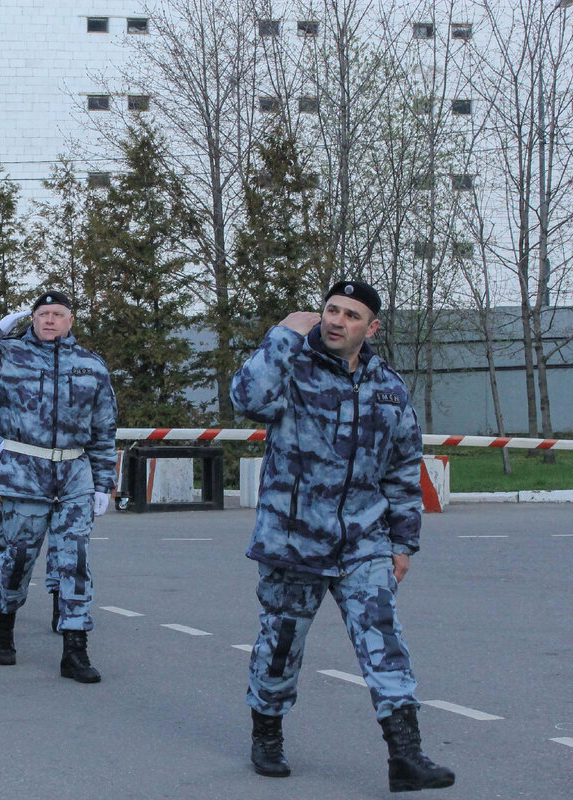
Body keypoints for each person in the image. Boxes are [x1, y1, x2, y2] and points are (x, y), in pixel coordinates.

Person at [230, 280, 455, 793]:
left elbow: (402, 472)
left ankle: (406, 755)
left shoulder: (388, 387)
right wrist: (284, 332)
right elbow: (246, 399)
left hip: (363, 540)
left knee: (384, 640)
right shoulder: (291, 369)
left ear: (371, 328)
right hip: (293, 540)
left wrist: (403, 543)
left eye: (351, 315)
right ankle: (267, 731)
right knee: (281, 645)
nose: (336, 320)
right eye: (330, 310)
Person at [0, 290, 117, 683]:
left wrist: (104, 482)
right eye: (43, 314)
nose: (50, 320)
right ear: (33, 318)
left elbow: (104, 428)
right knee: (17, 559)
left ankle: (75, 649)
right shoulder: (6, 356)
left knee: (74, 562)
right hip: (24, 473)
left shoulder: (90, 365)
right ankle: (3, 624)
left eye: (58, 314)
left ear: (70, 320)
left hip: (75, 473)